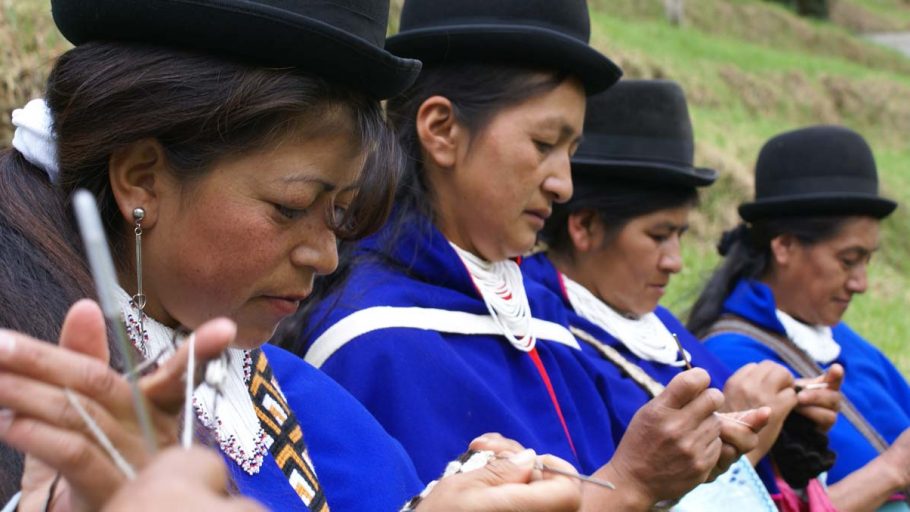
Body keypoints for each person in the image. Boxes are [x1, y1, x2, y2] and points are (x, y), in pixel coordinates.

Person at [0, 0, 583, 510]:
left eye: (338, 215)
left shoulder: (306, 404)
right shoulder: (28, 389)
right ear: (142, 179)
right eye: (290, 206)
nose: (326, 256)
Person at [283, 2, 761, 509]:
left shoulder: (543, 312)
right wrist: (633, 483)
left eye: (571, 153)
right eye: (543, 144)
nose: (564, 184)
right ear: (442, 129)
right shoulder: (373, 340)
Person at [525, 79, 845, 510]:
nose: (675, 261)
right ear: (584, 226)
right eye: (658, 236)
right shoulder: (545, 336)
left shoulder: (658, 326)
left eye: (679, 235)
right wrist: (743, 443)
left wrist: (792, 423)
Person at [688, 125, 910, 512]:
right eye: (848, 260)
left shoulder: (845, 342)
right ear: (785, 246)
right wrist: (893, 470)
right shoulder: (734, 362)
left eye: (867, 261)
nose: (861, 283)